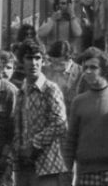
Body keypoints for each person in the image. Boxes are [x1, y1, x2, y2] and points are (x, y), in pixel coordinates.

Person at [64, 47, 108, 186]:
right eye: (85, 67)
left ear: (104, 69)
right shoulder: (78, 101)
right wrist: (67, 170)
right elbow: (71, 139)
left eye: (93, 67)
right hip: (85, 171)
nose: (88, 71)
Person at [13, 39, 70, 186]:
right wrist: (19, 150)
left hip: (46, 166)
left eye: (37, 58)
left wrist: (34, 144)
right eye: (29, 58)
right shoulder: (21, 92)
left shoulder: (50, 89)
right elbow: (18, 128)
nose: (33, 63)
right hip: (23, 167)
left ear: (43, 61)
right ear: (21, 61)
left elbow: (60, 123)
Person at [0, 57, 16, 186]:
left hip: (2, 156)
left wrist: (5, 156)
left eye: (7, 67)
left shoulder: (11, 92)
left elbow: (14, 127)